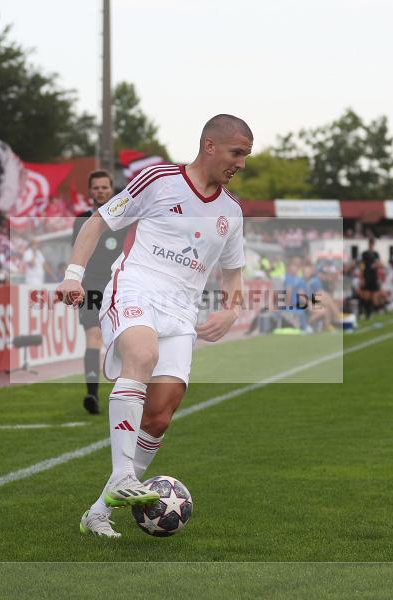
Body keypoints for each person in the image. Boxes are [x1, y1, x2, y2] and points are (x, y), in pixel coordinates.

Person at [56, 114, 252, 538]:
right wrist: (73, 273)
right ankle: (125, 476)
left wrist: (231, 310)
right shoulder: (159, 179)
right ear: (210, 145)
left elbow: (233, 274)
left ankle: (98, 511)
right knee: (141, 356)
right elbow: (99, 220)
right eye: (237, 153)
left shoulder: (232, 212)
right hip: (135, 289)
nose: (241, 163)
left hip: (182, 312)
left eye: (246, 156)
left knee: (160, 415)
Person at [71, 170, 127, 415]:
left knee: (125, 340)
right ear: (90, 191)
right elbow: (77, 256)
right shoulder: (81, 220)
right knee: (93, 337)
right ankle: (92, 395)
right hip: (91, 286)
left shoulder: (125, 219)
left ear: (111, 189)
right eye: (96, 188)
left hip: (119, 285)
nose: (101, 191)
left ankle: (127, 393)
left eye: (105, 187)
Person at [357, 238, 380, 319]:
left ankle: (369, 313)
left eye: (372, 243)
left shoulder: (376, 254)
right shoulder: (364, 253)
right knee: (365, 295)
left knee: (373, 295)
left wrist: (376, 266)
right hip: (366, 276)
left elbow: (378, 264)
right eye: (370, 243)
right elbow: (361, 266)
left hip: (373, 277)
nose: (371, 244)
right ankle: (364, 312)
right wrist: (361, 277)